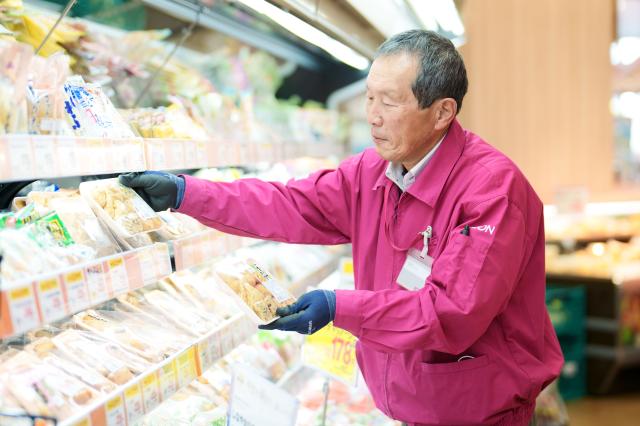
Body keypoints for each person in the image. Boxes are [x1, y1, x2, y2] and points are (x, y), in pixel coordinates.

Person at [120, 29, 563, 426]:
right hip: (407, 404)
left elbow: (451, 311)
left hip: (478, 413)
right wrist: (185, 193)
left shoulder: (491, 191)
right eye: (369, 97)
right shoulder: (372, 171)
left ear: (443, 112)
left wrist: (339, 307)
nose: (372, 115)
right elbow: (291, 204)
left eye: (389, 102)